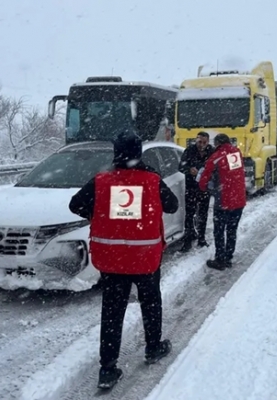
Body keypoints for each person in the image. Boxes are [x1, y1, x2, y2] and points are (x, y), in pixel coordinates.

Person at [68, 132, 179, 389]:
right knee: (150, 303)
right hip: (145, 258)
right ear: (139, 152)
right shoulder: (151, 180)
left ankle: (107, 369)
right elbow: (172, 206)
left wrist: (98, 213)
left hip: (112, 259)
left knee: (112, 312)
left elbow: (75, 205)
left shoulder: (101, 181)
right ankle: (153, 347)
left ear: (115, 153)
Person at [197, 133, 246, 270]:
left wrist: (204, 185)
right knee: (231, 230)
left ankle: (220, 259)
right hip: (238, 200)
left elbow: (204, 179)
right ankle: (228, 257)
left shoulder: (215, 157)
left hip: (223, 201)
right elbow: (233, 174)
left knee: (219, 231)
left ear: (217, 143)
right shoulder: (235, 153)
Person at [177, 131, 214, 252]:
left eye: (204, 142)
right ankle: (187, 240)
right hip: (191, 187)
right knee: (189, 214)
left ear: (208, 142)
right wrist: (189, 169)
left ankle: (201, 239)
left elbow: (216, 167)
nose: (201, 145)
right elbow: (181, 167)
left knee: (203, 214)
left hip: (204, 188)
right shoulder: (189, 151)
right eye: (199, 142)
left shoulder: (211, 152)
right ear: (196, 141)